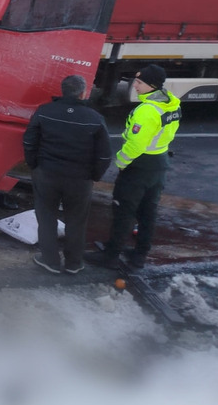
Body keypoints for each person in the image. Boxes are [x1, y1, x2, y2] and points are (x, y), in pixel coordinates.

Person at [85, 64, 182, 271]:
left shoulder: (147, 111)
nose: (134, 86)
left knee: (124, 210)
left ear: (152, 85)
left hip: (139, 166)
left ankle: (111, 256)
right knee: (148, 212)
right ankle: (140, 255)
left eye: (139, 82)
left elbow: (136, 145)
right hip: (159, 164)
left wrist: (121, 162)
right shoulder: (171, 104)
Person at [23, 74, 112, 274]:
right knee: (76, 221)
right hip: (80, 179)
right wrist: (94, 176)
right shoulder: (94, 118)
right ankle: (74, 263)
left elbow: (29, 141)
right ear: (83, 93)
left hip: (47, 173)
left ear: (62, 91)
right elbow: (104, 155)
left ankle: (50, 261)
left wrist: (34, 165)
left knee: (46, 218)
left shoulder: (45, 111)